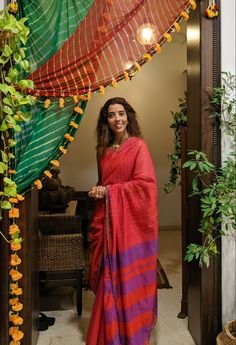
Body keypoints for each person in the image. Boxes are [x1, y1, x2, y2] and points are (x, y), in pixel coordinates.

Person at [87, 97, 158, 345]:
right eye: (111, 115)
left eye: (121, 114)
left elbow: (145, 186)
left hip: (127, 226)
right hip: (106, 221)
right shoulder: (102, 150)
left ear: (128, 116)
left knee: (126, 273)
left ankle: (130, 330)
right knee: (106, 273)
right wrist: (98, 190)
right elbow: (104, 182)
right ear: (105, 120)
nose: (117, 119)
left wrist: (109, 192)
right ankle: (109, 330)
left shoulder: (138, 147)